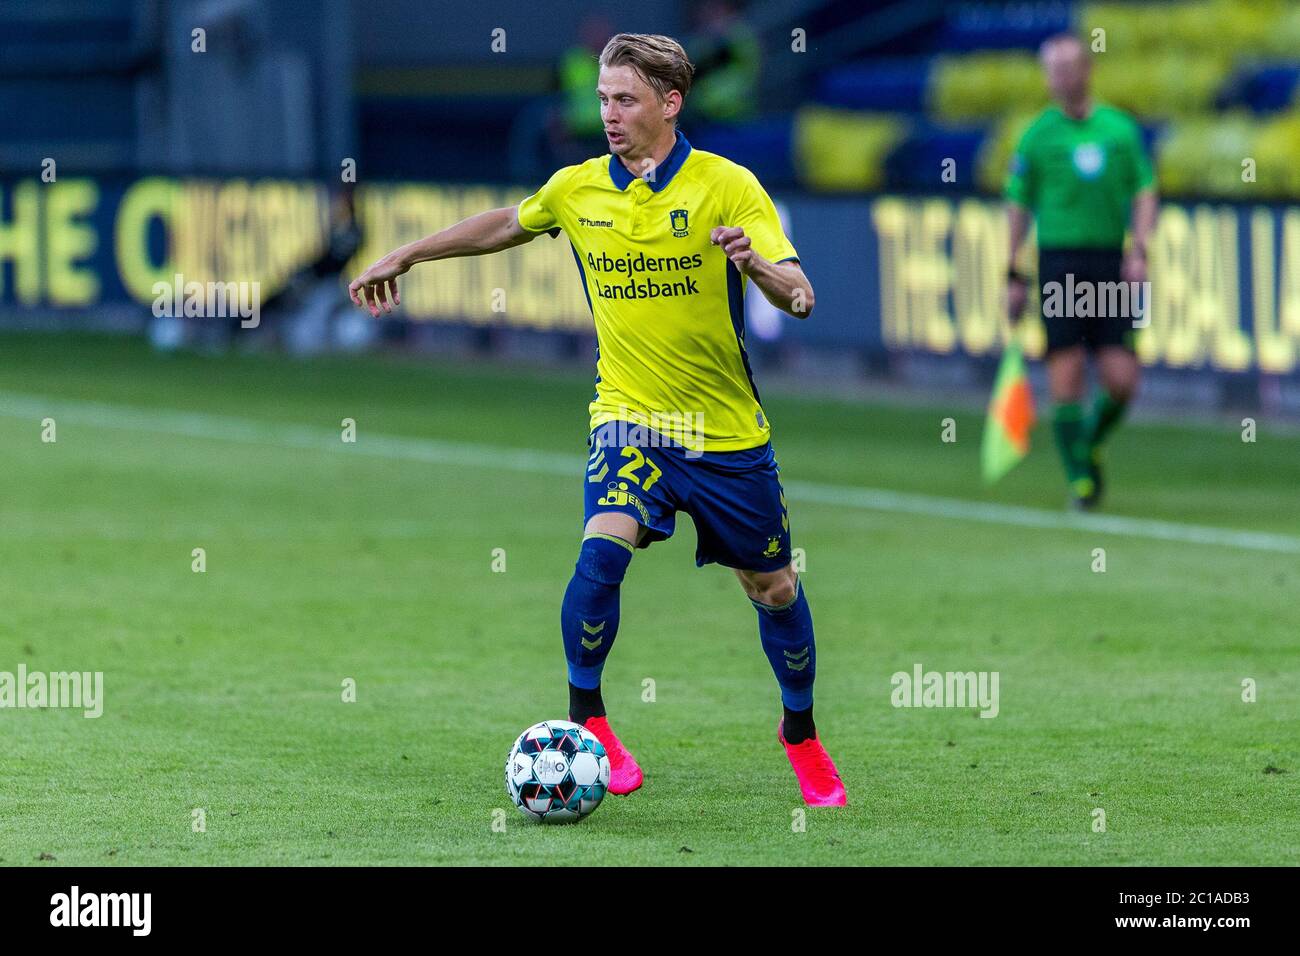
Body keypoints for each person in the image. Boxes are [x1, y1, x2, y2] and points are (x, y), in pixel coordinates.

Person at [349, 34, 845, 806]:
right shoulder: (579, 189)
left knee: (775, 587)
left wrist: (756, 267)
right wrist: (408, 254)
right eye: (603, 99)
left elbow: (802, 296)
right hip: (628, 419)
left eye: (625, 100)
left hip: (722, 433)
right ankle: (592, 720)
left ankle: (802, 735)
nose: (608, 114)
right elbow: (502, 225)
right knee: (601, 553)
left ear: (670, 104)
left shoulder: (727, 186)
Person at [1005, 33, 1158, 509]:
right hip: (1060, 264)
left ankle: (1086, 443)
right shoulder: (1036, 136)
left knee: (1122, 379)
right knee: (1066, 372)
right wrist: (1012, 271)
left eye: (1068, 67)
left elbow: (1145, 190)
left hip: (1108, 261)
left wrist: (1140, 249)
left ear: (1086, 70)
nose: (1060, 77)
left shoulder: (1119, 129)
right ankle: (1082, 482)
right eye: (1052, 69)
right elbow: (1017, 204)